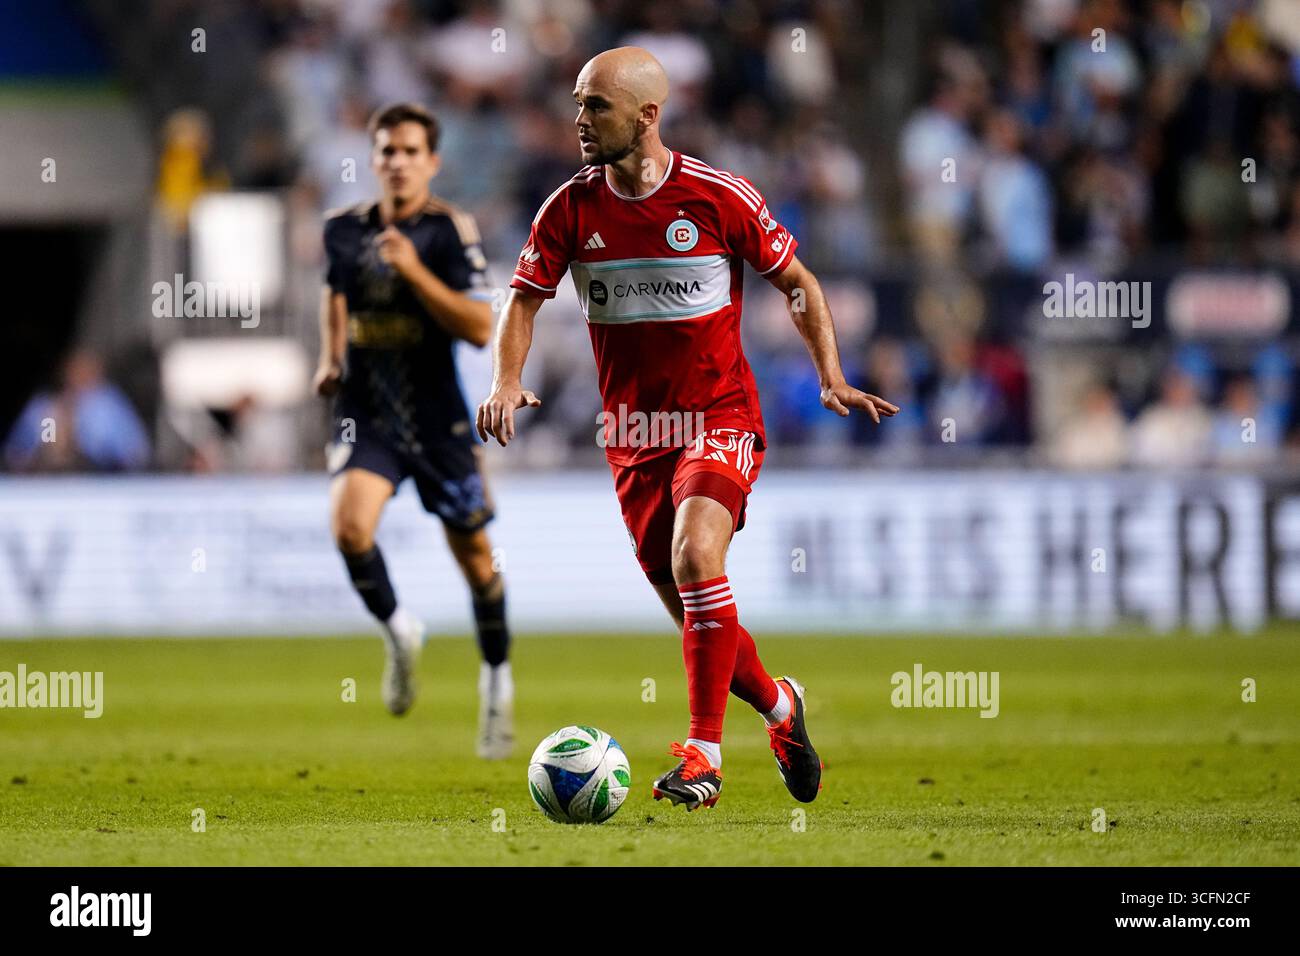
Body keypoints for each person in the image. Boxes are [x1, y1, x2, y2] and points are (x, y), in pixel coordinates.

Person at [477, 48, 897, 810]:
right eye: (576, 103)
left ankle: (703, 758)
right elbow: (523, 299)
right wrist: (507, 377)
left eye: (594, 105)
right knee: (701, 615)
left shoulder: (717, 196)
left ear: (646, 116)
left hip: (718, 416)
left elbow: (797, 283)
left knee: (697, 554)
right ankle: (781, 707)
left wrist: (830, 373)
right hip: (634, 436)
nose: (578, 119)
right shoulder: (568, 210)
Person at [314, 102, 513, 758]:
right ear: (373, 159)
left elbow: (481, 328)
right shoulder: (342, 230)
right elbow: (334, 291)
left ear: (432, 161)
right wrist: (331, 356)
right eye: (386, 151)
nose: (397, 161)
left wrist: (413, 270)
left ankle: (496, 681)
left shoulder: (447, 232)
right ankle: (399, 629)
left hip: (438, 421)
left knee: (478, 564)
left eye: (409, 151)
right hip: (368, 414)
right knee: (349, 527)